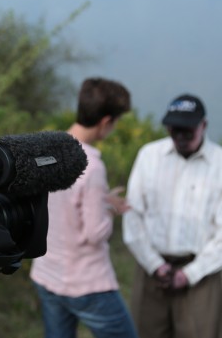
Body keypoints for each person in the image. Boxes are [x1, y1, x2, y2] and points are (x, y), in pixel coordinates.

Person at [30, 77, 138, 338]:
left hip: (47, 274)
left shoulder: (45, 148)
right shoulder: (92, 166)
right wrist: (109, 211)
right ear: (105, 122)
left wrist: (100, 199)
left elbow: (59, 203)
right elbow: (94, 233)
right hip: (87, 282)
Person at [122, 94, 222, 338]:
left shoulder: (220, 163)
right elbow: (132, 215)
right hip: (152, 270)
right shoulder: (149, 156)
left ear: (204, 125)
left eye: (187, 131)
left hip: (202, 274)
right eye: (174, 130)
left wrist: (189, 274)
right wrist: (156, 266)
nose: (180, 137)